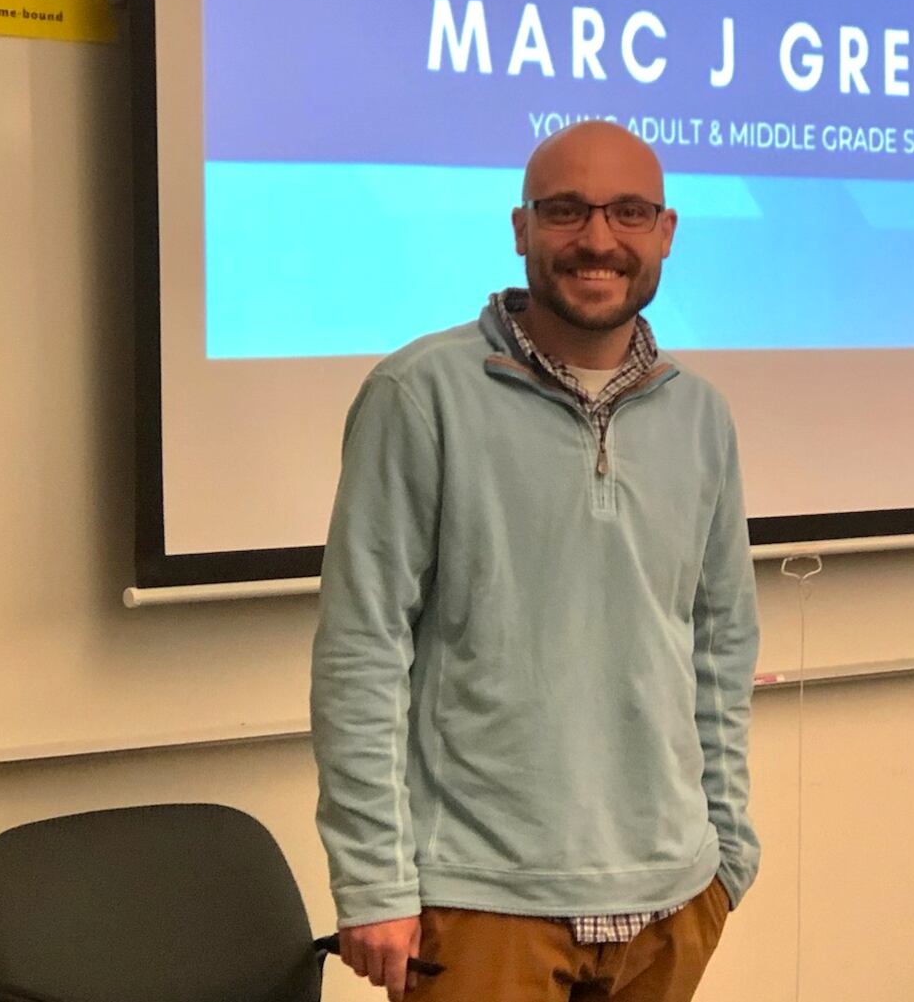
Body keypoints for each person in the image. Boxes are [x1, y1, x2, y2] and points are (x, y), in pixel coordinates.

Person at [311, 121, 760, 1002]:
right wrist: (374, 882)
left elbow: (721, 645)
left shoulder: (701, 418)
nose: (598, 239)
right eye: (566, 211)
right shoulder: (421, 395)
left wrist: (727, 851)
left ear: (665, 232)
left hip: (671, 900)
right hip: (483, 903)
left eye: (628, 212)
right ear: (521, 228)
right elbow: (362, 652)